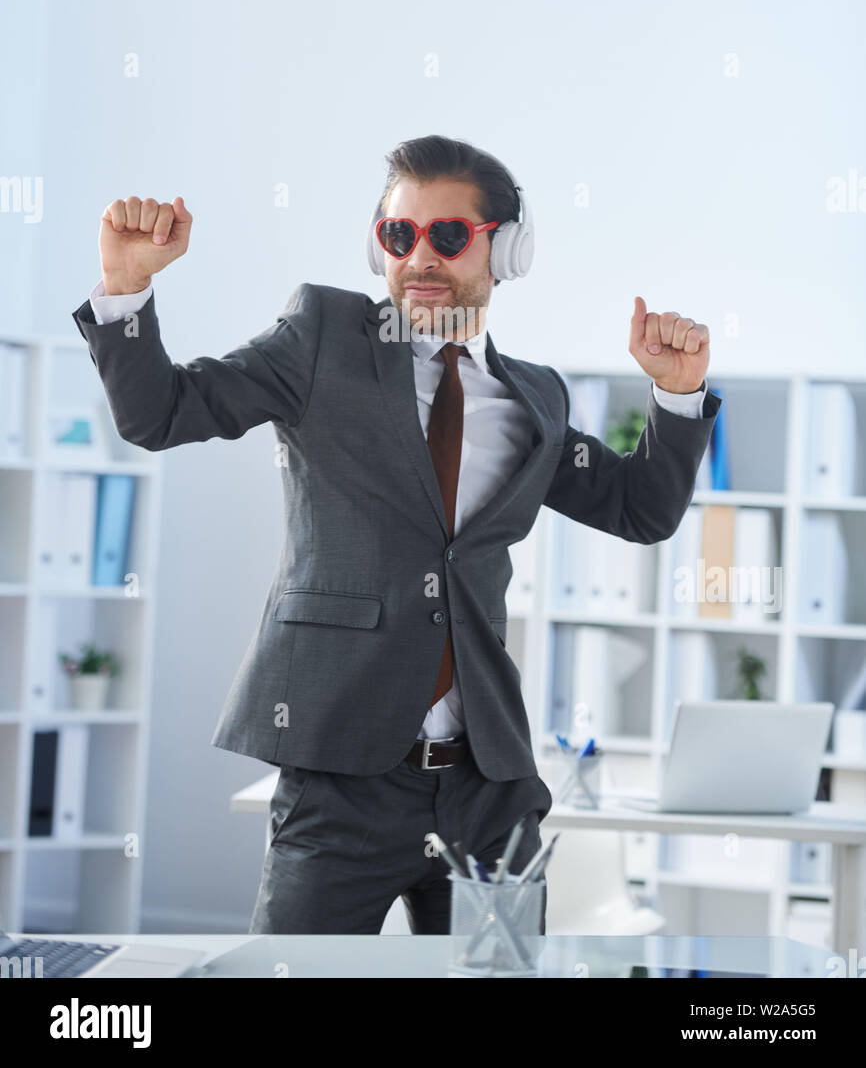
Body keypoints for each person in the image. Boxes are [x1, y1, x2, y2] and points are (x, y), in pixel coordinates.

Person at [72, 134, 720, 933]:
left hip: (489, 787)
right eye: (397, 235)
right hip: (342, 780)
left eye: (447, 236)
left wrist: (678, 399)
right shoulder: (320, 340)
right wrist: (125, 288)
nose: (419, 257)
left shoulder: (536, 399)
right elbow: (161, 412)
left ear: (508, 252)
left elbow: (639, 510)